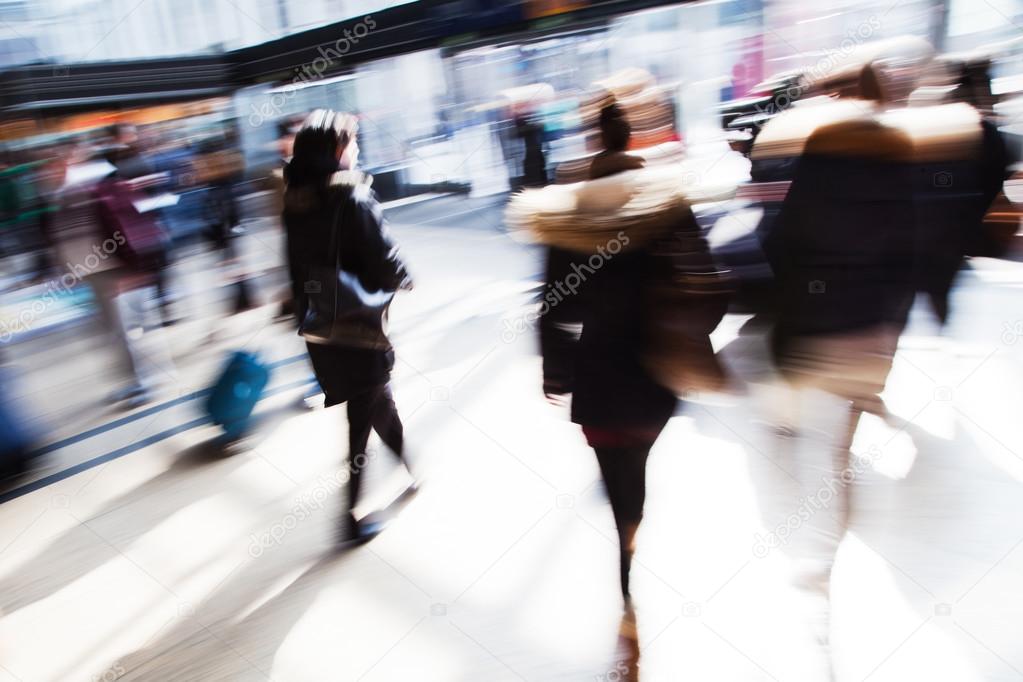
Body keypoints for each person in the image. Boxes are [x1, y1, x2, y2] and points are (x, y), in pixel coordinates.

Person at [525, 102, 686, 603]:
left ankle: (624, 538)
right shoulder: (664, 202)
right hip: (655, 369)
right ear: (633, 141)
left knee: (613, 469)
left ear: (594, 142)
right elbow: (702, 281)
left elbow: (552, 305)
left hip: (596, 371)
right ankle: (630, 531)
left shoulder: (572, 213)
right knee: (635, 465)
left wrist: (556, 373)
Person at [283, 110, 415, 545]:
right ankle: (351, 517)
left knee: (378, 402)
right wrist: (404, 275)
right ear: (338, 151)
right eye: (353, 143)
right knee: (361, 421)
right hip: (360, 328)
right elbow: (384, 264)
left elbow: (297, 269)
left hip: (322, 327)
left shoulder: (296, 201)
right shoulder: (353, 198)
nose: (356, 150)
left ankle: (411, 465)